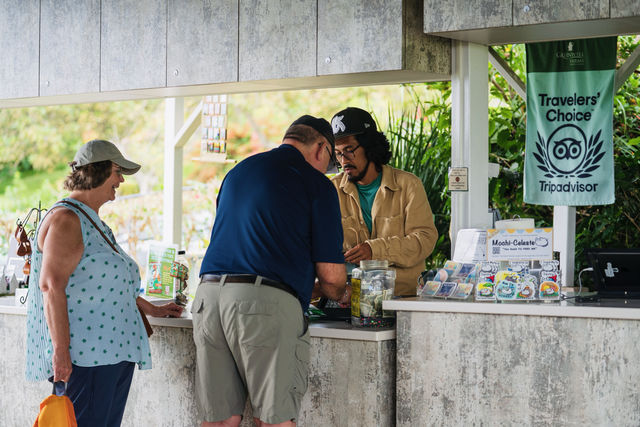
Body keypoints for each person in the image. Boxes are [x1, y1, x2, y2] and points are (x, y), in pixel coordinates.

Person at [193, 115, 346, 427]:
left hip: (208, 299)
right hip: (262, 306)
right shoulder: (317, 184)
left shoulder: (237, 172)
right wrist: (340, 290)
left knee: (220, 419)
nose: (328, 170)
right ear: (320, 148)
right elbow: (332, 279)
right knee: (273, 419)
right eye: (331, 161)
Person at [25, 139, 183, 426]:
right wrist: (61, 354)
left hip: (111, 355)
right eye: (117, 171)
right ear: (97, 171)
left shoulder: (91, 219)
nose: (121, 180)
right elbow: (51, 287)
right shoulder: (67, 219)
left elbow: (107, 283)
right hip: (87, 359)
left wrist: (152, 309)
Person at [329, 107, 438, 297]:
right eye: (338, 154)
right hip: (350, 298)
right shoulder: (330, 190)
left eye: (349, 150)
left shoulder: (408, 185)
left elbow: (425, 239)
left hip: (402, 297)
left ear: (370, 147)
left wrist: (375, 250)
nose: (343, 160)